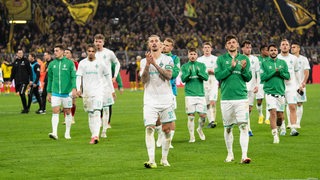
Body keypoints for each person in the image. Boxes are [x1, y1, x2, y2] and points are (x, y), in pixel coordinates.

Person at [215, 34, 252, 164]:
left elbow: (248, 77)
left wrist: (243, 69)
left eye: (234, 42)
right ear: (226, 46)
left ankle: (244, 155)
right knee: (228, 128)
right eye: (229, 42)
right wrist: (231, 68)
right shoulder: (221, 60)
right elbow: (218, 76)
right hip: (226, 98)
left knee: (243, 126)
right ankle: (230, 154)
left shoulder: (244, 59)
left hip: (241, 97)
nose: (231, 44)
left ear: (237, 45)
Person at [140, 35, 176, 168]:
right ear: (148, 44)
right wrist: (148, 65)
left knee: (167, 130)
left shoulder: (168, 59)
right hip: (150, 101)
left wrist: (154, 63)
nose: (154, 43)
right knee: (149, 128)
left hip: (166, 100)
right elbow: (143, 80)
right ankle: (151, 160)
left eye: (156, 41)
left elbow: (168, 76)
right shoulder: (144, 61)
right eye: (151, 41)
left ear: (160, 44)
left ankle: (164, 159)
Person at [76, 45, 112, 144]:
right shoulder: (82, 63)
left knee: (96, 112)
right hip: (87, 93)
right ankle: (93, 135)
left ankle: (96, 135)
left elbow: (108, 77)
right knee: (90, 114)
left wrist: (112, 90)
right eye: (89, 51)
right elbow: (79, 76)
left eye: (93, 51)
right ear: (86, 52)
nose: (91, 52)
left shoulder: (101, 63)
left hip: (98, 92)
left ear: (95, 52)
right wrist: (79, 89)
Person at [260, 44, 290, 144]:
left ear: (277, 51)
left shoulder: (283, 63)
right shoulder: (264, 63)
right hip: (269, 93)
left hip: (280, 92)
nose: (273, 52)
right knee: (272, 112)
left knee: (280, 117)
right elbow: (263, 77)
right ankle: (275, 135)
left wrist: (280, 73)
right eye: (271, 50)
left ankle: (278, 127)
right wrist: (274, 72)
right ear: (268, 52)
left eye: (275, 50)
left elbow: (287, 76)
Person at [47, 44, 77, 140]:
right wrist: (49, 92)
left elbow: (73, 77)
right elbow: (50, 79)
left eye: (57, 50)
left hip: (67, 93)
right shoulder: (52, 64)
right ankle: (54, 132)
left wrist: (74, 88)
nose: (55, 52)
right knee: (55, 111)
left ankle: (67, 133)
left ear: (62, 52)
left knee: (68, 111)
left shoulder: (69, 63)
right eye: (54, 51)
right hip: (55, 92)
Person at [156, 37, 180, 149]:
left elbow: (174, 73)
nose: (164, 46)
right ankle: (160, 136)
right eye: (163, 44)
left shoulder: (175, 58)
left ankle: (169, 141)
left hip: (170, 90)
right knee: (157, 117)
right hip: (156, 91)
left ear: (171, 47)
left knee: (170, 117)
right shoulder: (157, 56)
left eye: (167, 45)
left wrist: (163, 73)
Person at [94, 34, 120, 138]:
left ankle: (106, 125)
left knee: (107, 106)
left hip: (106, 84)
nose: (98, 43)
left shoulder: (109, 53)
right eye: (96, 41)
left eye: (100, 42)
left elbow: (117, 63)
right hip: (95, 84)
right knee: (96, 106)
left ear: (103, 42)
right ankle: (99, 123)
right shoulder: (91, 53)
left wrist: (115, 76)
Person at [181, 47, 208, 143]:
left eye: (194, 54)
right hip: (189, 94)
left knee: (203, 116)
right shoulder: (184, 66)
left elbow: (206, 77)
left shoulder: (202, 65)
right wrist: (188, 74)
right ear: (188, 55)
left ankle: (200, 129)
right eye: (191, 54)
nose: (192, 56)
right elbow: (183, 79)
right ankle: (192, 136)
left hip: (200, 94)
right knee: (191, 116)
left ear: (197, 55)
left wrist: (199, 73)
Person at [277, 39, 300, 136]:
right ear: (280, 47)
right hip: (280, 86)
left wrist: (299, 85)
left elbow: (297, 72)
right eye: (283, 44)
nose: (285, 46)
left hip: (291, 86)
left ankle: (293, 128)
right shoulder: (276, 58)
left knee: (292, 107)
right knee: (280, 109)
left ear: (289, 47)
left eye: (287, 44)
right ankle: (282, 127)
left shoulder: (294, 58)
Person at [241, 40, 260, 136]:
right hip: (242, 87)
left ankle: (244, 124)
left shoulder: (255, 59)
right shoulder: (239, 58)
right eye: (247, 47)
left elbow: (258, 73)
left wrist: (257, 85)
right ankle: (248, 128)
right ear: (242, 48)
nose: (249, 49)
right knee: (245, 108)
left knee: (249, 109)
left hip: (252, 87)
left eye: (250, 47)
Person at [197, 41, 218, 129]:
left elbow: (219, 71)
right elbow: (198, 72)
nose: (207, 49)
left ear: (211, 49)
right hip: (204, 83)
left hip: (213, 82)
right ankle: (210, 120)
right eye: (205, 48)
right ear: (202, 49)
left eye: (208, 47)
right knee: (207, 104)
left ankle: (212, 121)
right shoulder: (199, 60)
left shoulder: (216, 59)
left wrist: (212, 72)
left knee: (212, 101)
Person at [291, 42, 310, 128]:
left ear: (299, 49)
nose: (292, 48)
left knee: (299, 103)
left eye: (294, 47)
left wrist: (304, 82)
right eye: (291, 47)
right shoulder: (289, 58)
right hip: (291, 85)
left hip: (300, 85)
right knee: (291, 103)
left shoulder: (304, 59)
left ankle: (298, 123)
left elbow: (306, 71)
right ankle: (291, 123)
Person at [9, 49, 32, 113]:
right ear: (17, 54)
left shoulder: (26, 61)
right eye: (19, 53)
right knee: (21, 94)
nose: (20, 54)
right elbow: (13, 72)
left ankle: (26, 109)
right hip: (17, 81)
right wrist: (11, 80)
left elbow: (30, 71)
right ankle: (26, 108)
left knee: (22, 93)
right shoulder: (15, 62)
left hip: (24, 81)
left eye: (21, 53)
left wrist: (31, 80)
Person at [256, 44, 270, 124]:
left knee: (269, 101)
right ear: (262, 51)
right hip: (259, 83)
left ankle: (267, 118)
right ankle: (260, 115)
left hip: (268, 82)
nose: (268, 52)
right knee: (259, 101)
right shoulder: (257, 59)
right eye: (266, 50)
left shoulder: (271, 59)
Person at [64, 48, 78, 124]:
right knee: (64, 101)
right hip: (64, 85)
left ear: (70, 54)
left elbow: (78, 74)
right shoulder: (61, 63)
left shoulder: (74, 63)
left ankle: (72, 117)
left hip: (72, 84)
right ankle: (66, 118)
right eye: (65, 53)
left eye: (67, 53)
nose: (65, 54)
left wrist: (76, 86)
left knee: (73, 102)